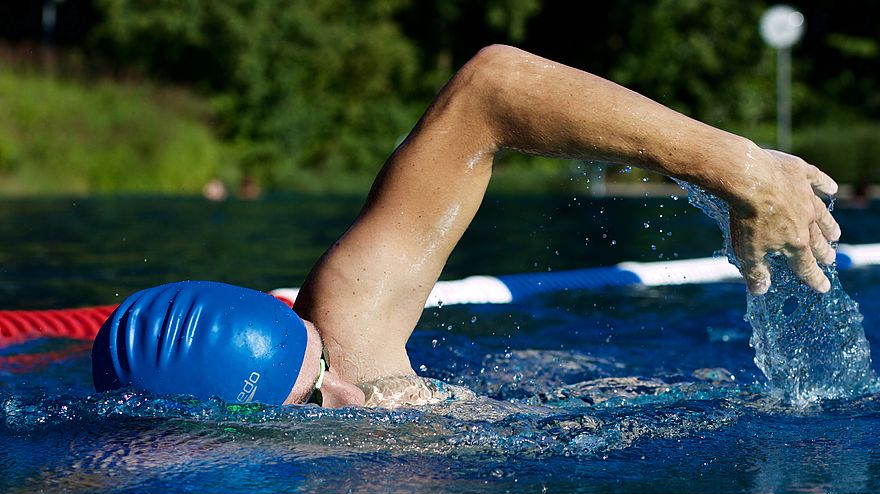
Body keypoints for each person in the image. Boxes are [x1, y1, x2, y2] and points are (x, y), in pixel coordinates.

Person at [92, 45, 841, 409]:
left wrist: (737, 166)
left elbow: (492, 89)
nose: (350, 391)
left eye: (321, 362)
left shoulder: (350, 338)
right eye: (312, 405)